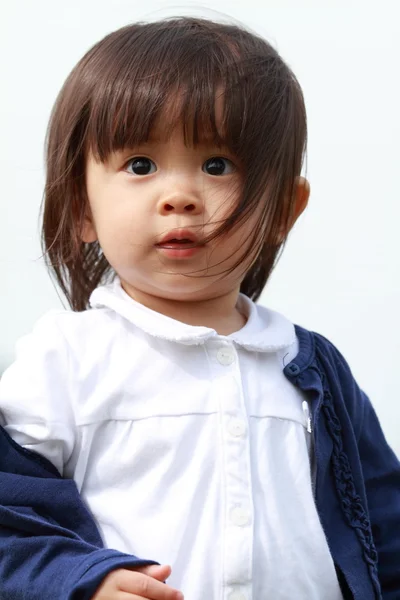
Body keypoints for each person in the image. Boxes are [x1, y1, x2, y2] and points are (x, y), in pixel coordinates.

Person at [0, 16, 399, 600]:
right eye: (140, 165)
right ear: (80, 208)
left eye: (218, 165)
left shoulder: (311, 370)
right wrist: (82, 579)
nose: (179, 195)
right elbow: (9, 522)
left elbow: (385, 530)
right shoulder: (66, 359)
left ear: (284, 210)